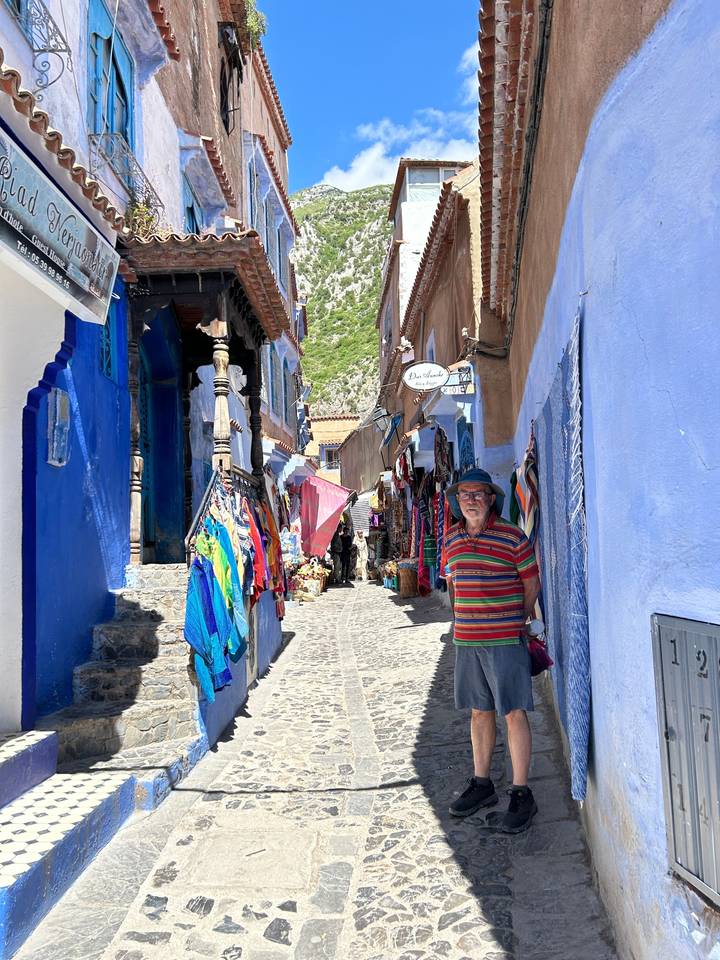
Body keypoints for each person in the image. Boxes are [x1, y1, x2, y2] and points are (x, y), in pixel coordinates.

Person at [444, 467, 541, 833]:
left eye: (478, 494)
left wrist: (517, 620)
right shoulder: (452, 539)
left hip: (504, 641)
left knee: (513, 712)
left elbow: (531, 583)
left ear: (490, 499)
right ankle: (482, 783)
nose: (471, 500)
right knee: (479, 711)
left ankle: (521, 793)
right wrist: (459, 617)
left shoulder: (513, 537)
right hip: (467, 641)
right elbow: (453, 582)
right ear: (457, 501)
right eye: (464, 494)